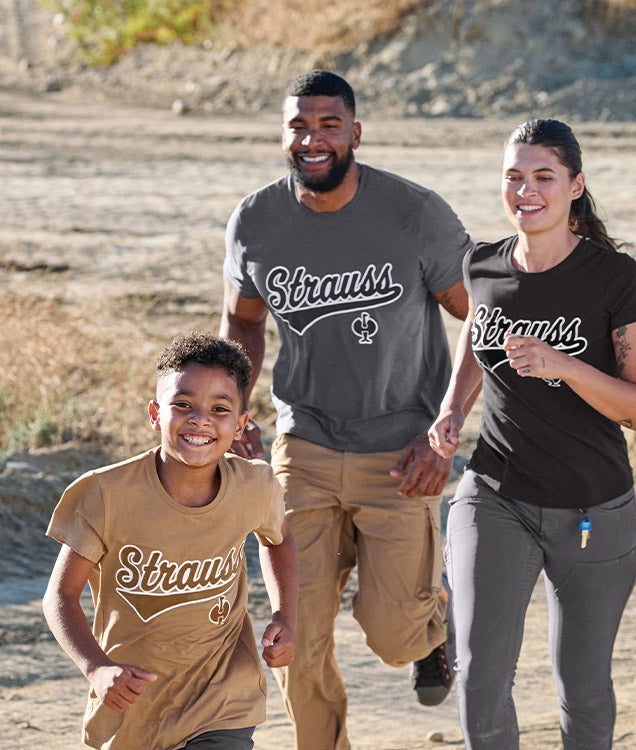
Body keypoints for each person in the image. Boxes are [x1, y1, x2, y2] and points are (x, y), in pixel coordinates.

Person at [220, 69, 473, 749]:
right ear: (283, 135)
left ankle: (430, 623)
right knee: (294, 635)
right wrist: (230, 410)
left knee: (391, 638)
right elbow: (242, 324)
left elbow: (483, 319)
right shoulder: (256, 219)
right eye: (299, 126)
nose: (312, 139)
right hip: (300, 445)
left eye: (329, 125)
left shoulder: (414, 214)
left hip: (402, 453)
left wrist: (444, 434)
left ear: (356, 133)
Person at [428, 118, 636, 750]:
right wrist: (453, 406)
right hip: (495, 493)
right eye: (513, 177)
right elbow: (479, 338)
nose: (525, 191)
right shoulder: (481, 264)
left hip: (594, 508)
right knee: (481, 676)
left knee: (583, 688)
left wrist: (564, 365)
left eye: (542, 177)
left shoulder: (615, 278)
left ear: (575, 185)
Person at [43, 331, 298, 750]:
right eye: (183, 404)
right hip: (133, 704)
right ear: (155, 414)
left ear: (239, 425)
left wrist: (285, 617)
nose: (200, 419)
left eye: (220, 409)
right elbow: (60, 596)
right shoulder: (106, 494)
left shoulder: (255, 486)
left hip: (223, 699)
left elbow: (278, 540)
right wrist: (97, 669)